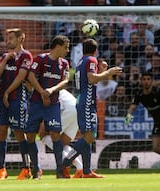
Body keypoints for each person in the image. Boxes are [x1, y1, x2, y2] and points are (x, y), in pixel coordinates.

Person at [62, 38, 122, 178]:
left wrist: (103, 71)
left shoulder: (80, 62)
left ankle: (87, 171)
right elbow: (92, 79)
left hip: (82, 100)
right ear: (96, 50)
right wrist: (109, 73)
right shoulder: (91, 60)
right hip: (87, 102)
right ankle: (65, 163)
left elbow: (91, 79)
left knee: (86, 137)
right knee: (91, 136)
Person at [25, 35, 71, 179]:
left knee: (55, 134)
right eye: (66, 47)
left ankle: (59, 170)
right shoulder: (40, 59)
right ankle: (36, 169)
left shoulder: (64, 63)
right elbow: (30, 76)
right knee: (31, 135)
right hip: (36, 103)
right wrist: (42, 92)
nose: (67, 51)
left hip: (53, 104)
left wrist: (51, 91)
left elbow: (66, 81)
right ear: (58, 46)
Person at [0, 28, 32, 180]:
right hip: (3, 99)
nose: (8, 41)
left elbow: (21, 77)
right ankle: (1, 168)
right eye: (7, 38)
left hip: (17, 98)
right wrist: (5, 59)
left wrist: (8, 92)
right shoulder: (5, 56)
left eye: (11, 38)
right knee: (1, 130)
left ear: (20, 38)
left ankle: (26, 168)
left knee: (18, 132)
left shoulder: (26, 56)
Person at [39, 89, 84, 178]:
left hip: (65, 109)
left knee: (43, 135)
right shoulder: (57, 85)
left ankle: (64, 166)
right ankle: (80, 168)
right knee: (62, 143)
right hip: (76, 107)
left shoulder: (42, 88)